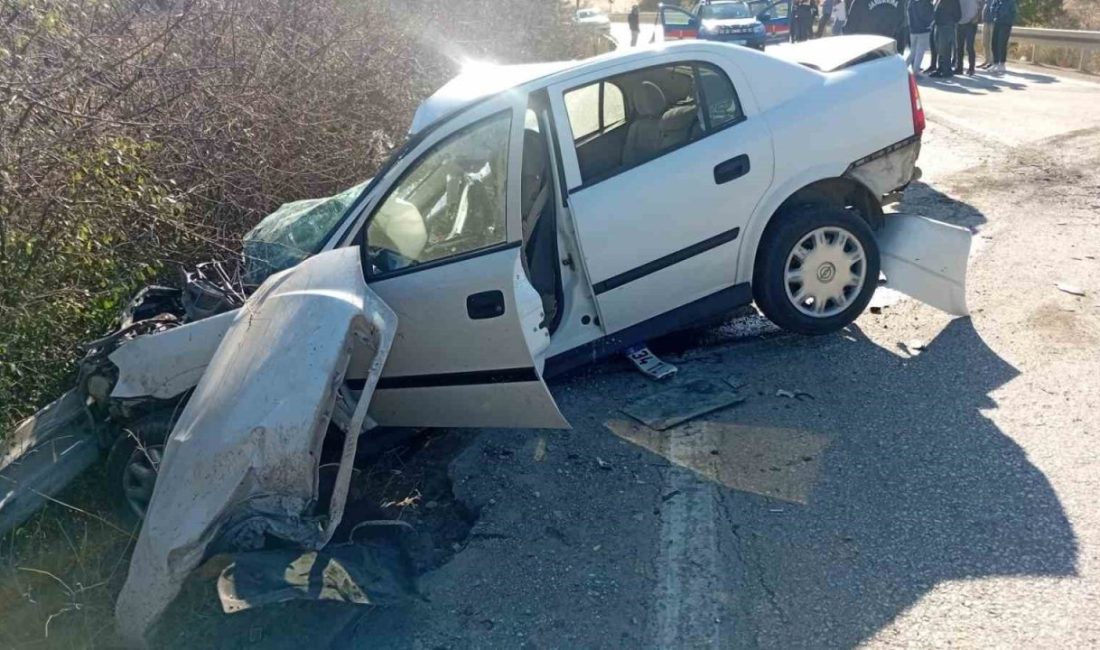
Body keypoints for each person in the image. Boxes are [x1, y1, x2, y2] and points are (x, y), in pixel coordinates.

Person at [930, 0, 961, 77]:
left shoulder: (953, 1)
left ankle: (947, 71)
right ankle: (940, 68)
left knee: (945, 50)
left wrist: (950, 21)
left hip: (946, 27)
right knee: (939, 49)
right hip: (938, 25)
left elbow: (958, 15)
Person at [907, 0, 935, 75]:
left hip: (913, 30)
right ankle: (915, 72)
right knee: (920, 52)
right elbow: (930, 16)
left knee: (912, 52)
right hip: (924, 30)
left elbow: (909, 16)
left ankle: (903, 67)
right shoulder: (927, 3)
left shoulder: (911, 2)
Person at [989, 0, 1017, 73]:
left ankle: (1002, 64)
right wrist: (994, 15)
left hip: (1005, 25)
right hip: (997, 23)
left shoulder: (1010, 2)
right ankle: (995, 63)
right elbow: (992, 8)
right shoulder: (996, 1)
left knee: (1001, 44)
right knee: (994, 43)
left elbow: (1014, 13)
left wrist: (1008, 21)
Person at [955, 0, 979, 75]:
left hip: (970, 23)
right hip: (960, 23)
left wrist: (976, 18)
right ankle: (959, 68)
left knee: (969, 47)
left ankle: (971, 68)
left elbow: (980, 6)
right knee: (959, 47)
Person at [979, 0, 995, 68]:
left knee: (992, 43)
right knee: (985, 42)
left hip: (993, 23)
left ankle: (992, 62)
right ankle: (986, 60)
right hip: (985, 22)